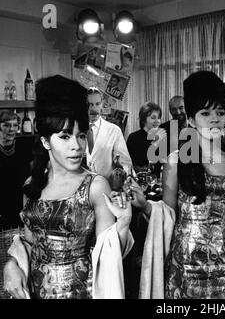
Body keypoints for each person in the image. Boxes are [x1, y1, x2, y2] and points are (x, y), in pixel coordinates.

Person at [128, 71, 225, 299]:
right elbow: (168, 213)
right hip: (185, 263)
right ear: (191, 120)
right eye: (205, 113)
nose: (215, 119)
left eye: (220, 113)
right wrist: (144, 205)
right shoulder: (176, 160)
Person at [3, 75, 133, 299]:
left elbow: (109, 257)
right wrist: (12, 264)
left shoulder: (94, 186)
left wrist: (123, 222)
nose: (76, 146)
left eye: (81, 136)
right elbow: (28, 242)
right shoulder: (32, 186)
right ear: (45, 142)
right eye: (64, 136)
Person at [86, 87, 132, 182]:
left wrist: (121, 178)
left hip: (106, 188)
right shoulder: (75, 129)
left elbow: (125, 163)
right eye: (89, 104)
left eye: (97, 104)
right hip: (79, 189)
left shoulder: (114, 130)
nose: (94, 108)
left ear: (102, 104)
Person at [0, 111, 33, 229]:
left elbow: (33, 175)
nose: (11, 129)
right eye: (7, 125)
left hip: (22, 205)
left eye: (15, 125)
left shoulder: (24, 146)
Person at [126, 102, 165, 173]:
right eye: (153, 118)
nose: (157, 121)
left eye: (158, 118)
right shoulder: (134, 137)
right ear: (144, 119)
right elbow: (129, 164)